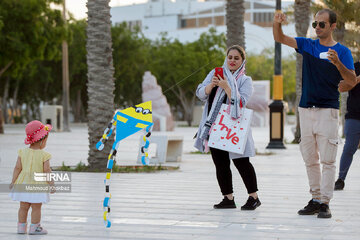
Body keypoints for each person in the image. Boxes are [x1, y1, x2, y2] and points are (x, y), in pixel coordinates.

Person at [273, 9, 356, 218]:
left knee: (328, 159)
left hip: (328, 110)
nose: (317, 28)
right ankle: (316, 198)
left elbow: (352, 81)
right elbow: (280, 38)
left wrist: (337, 63)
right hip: (305, 109)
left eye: (322, 24)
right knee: (309, 158)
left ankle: (325, 203)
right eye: (315, 24)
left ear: (333, 26)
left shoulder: (343, 52)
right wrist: (277, 23)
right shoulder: (308, 45)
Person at [194, 45, 260, 210]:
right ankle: (228, 198)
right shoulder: (215, 73)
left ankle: (254, 197)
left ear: (242, 61)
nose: (232, 61)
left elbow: (242, 102)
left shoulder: (245, 80)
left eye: (236, 58)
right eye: (230, 57)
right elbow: (200, 92)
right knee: (220, 163)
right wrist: (211, 86)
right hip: (215, 125)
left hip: (234, 128)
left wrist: (227, 87)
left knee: (241, 162)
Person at [9, 120, 54, 234]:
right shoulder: (45, 155)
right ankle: (34, 228)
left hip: (23, 183)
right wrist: (51, 184)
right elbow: (47, 171)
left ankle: (21, 228)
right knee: (36, 207)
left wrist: (13, 182)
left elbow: (17, 168)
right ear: (42, 140)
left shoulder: (22, 152)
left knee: (23, 207)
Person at [335, 61, 360, 190]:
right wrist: (357, 79)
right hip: (354, 116)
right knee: (349, 147)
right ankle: (340, 179)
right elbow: (341, 87)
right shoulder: (354, 67)